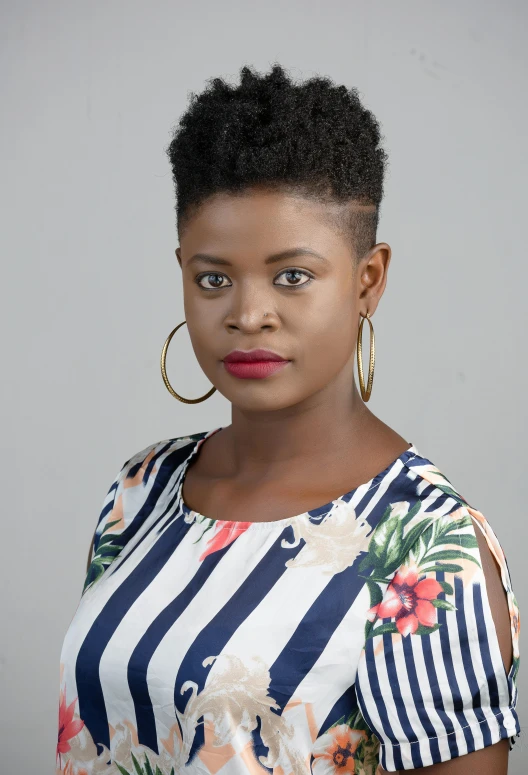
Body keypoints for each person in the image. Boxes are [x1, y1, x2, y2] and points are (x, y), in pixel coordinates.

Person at [57, 64, 520, 775]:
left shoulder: (425, 544)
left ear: (368, 280)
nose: (248, 314)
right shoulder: (141, 489)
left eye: (292, 276)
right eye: (214, 277)